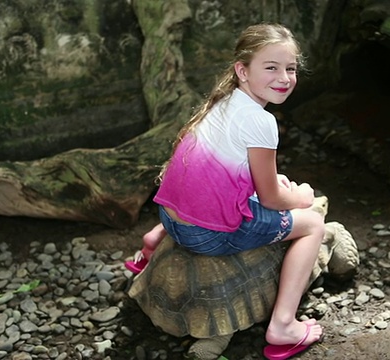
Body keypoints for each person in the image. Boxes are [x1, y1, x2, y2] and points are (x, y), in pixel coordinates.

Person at [125, 23, 324, 359]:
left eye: (291, 69)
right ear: (242, 71)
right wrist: (302, 198)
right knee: (314, 225)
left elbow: (234, 180)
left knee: (264, 189)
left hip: (170, 220)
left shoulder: (223, 102)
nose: (285, 77)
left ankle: (150, 244)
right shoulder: (261, 122)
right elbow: (273, 198)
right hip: (205, 236)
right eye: (271, 67)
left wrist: (278, 188)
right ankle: (284, 324)